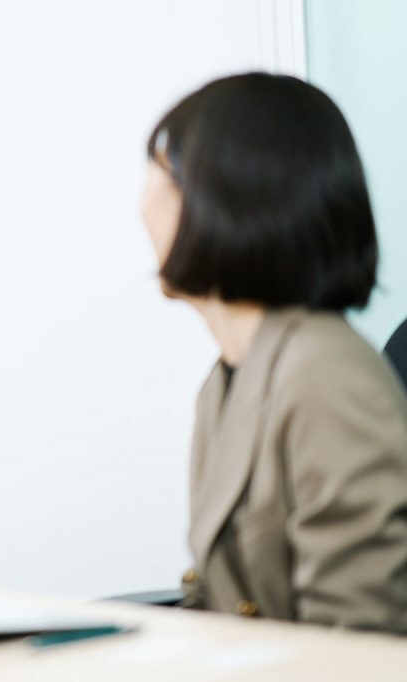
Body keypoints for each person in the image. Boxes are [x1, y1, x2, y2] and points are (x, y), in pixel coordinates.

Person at [140, 72, 407, 632]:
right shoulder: (226, 380)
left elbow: (362, 641)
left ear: (230, 200)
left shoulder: (326, 377)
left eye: (162, 176)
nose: (143, 205)